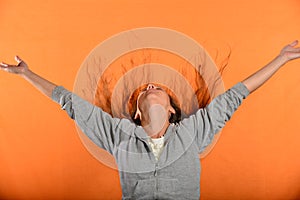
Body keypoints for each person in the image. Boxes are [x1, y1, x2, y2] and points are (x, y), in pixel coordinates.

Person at [1, 41, 300, 199]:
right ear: (137, 113)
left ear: (172, 110)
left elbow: (237, 94)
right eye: (144, 90)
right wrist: (26, 73)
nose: (150, 87)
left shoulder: (194, 131)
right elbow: (68, 101)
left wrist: (282, 58)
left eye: (157, 88)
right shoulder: (117, 134)